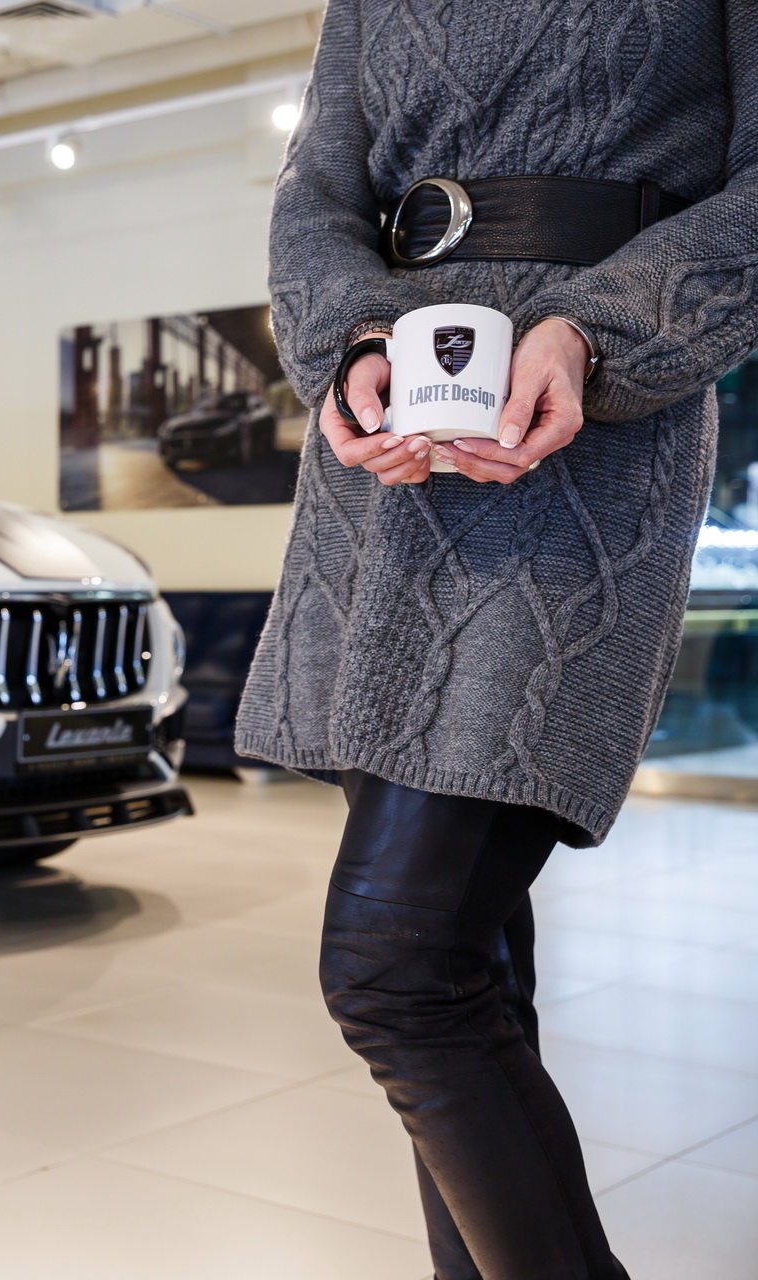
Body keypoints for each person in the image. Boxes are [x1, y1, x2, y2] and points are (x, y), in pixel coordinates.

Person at [235, 4, 758, 1278]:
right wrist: (355, 336)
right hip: (392, 442)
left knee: (395, 968)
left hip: (589, 429)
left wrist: (597, 329)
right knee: (466, 973)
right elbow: (316, 193)